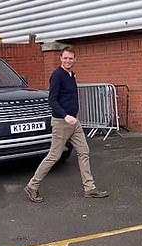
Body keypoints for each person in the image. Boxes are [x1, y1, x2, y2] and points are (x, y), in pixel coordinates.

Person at [24, 47, 108, 202]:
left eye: (71, 58)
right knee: (54, 156)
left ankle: (90, 188)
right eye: (65, 58)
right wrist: (65, 115)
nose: (68, 61)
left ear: (74, 59)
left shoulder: (71, 75)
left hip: (74, 122)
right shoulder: (57, 76)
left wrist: (72, 117)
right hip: (61, 122)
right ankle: (32, 186)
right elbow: (52, 100)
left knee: (84, 151)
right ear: (60, 59)